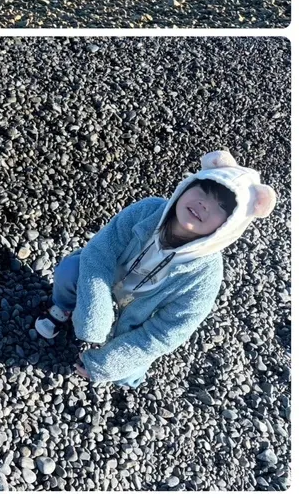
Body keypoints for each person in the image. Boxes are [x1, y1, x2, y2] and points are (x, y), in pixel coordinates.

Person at [34, 150, 277, 388]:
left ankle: (114, 360)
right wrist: (94, 314)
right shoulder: (147, 210)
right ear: (186, 186)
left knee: (125, 376)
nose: (204, 204)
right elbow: (99, 252)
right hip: (105, 281)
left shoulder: (206, 275)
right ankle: (65, 308)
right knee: (70, 271)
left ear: (229, 227)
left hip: (136, 318)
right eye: (203, 190)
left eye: (221, 208)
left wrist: (107, 364)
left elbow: (166, 333)